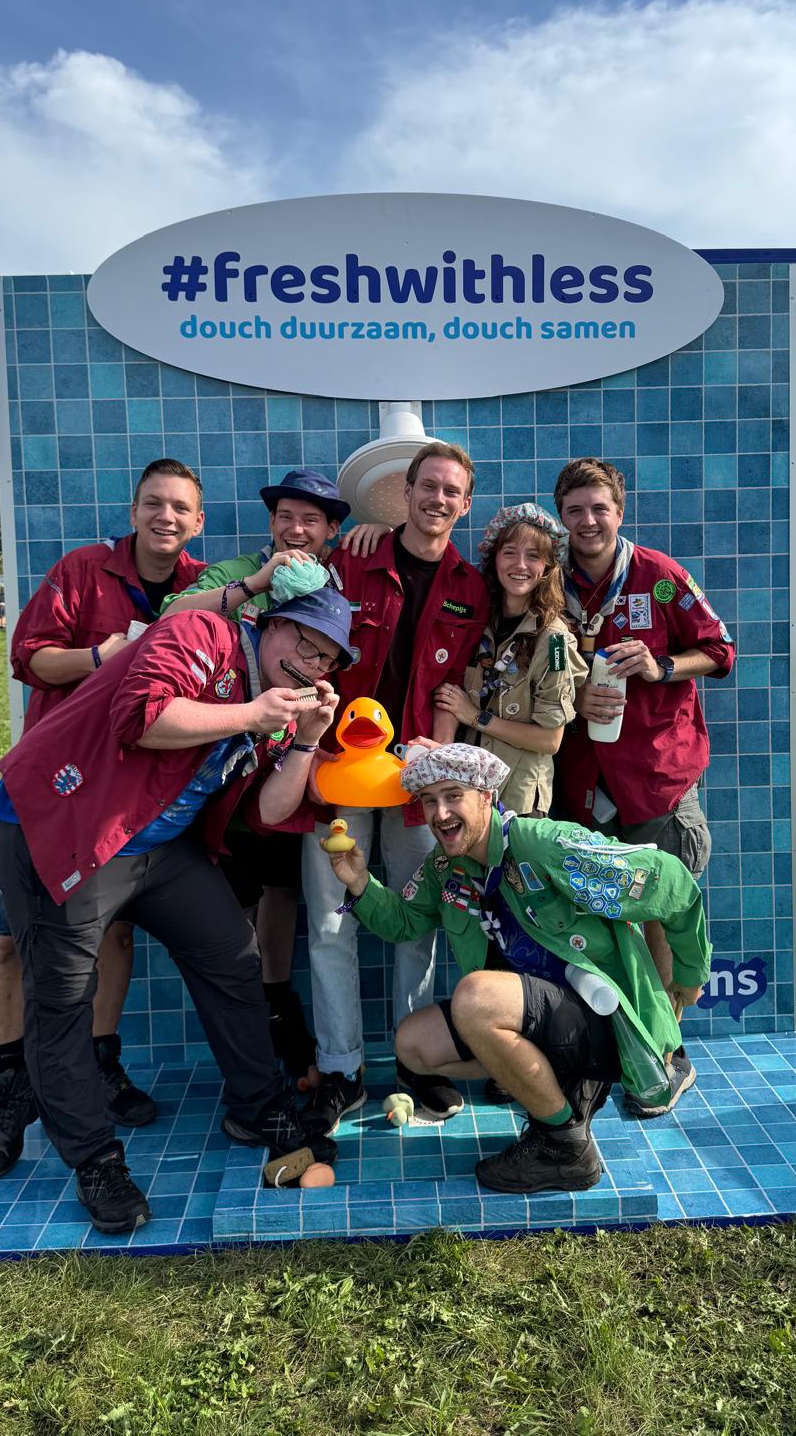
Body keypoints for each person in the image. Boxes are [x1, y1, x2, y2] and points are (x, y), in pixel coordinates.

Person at [0, 587, 353, 1231]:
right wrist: (249, 714)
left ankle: (258, 1108)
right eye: (304, 641)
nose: (311, 663)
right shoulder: (201, 633)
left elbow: (271, 811)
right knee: (62, 998)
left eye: (325, 658)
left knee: (232, 954)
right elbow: (140, 716)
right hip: (64, 826)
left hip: (157, 845)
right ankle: (95, 1160)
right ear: (267, 624)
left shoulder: (278, 705)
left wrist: (305, 741)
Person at [324, 742, 710, 1193]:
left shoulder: (543, 845)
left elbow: (671, 880)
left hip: (601, 1020)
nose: (440, 813)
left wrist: (689, 977)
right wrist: (359, 882)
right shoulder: (445, 866)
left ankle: (563, 1145)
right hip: (542, 1020)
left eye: (453, 796)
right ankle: (557, 1091)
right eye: (429, 801)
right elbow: (404, 922)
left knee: (475, 997)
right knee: (413, 1045)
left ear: (486, 796)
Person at [0, 458, 205, 1181]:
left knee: (115, 934)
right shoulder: (81, 572)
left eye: (180, 508)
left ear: (197, 523)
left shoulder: (203, 589)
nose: (165, 517)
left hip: (128, 800)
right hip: (52, 791)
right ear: (133, 511)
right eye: (154, 504)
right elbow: (30, 659)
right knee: (9, 943)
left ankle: (102, 1065)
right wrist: (104, 654)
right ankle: (11, 1090)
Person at [300, 441, 488, 1135]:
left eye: (451, 491)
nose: (438, 500)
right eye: (427, 486)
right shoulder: (351, 561)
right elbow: (307, 647)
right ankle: (341, 1070)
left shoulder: (472, 587)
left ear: (465, 505)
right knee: (330, 923)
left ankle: (417, 1064)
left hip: (418, 781)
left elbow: (458, 683)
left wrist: (439, 753)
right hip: (338, 773)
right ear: (406, 493)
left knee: (419, 922)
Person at [159, 467, 355, 1079]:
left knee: (284, 886)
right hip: (224, 765)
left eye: (311, 520)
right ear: (270, 522)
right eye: (286, 517)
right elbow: (171, 617)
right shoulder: (243, 572)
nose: (296, 529)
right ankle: (245, 1017)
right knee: (234, 893)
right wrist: (256, 583)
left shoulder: (342, 582)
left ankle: (275, 1002)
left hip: (300, 763)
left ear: (330, 531)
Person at [551, 458, 733, 1015]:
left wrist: (661, 667)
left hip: (658, 775)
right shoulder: (546, 582)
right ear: (561, 516)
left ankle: (666, 1042)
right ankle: (620, 1033)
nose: (588, 521)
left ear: (620, 511)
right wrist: (572, 697)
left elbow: (720, 650)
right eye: (575, 510)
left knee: (663, 911)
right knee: (598, 912)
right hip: (581, 775)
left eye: (599, 508)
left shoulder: (658, 575)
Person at [433, 501, 587, 815]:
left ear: (547, 566)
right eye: (510, 553)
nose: (520, 565)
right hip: (467, 792)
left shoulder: (553, 640)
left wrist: (475, 717)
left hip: (519, 803)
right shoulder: (475, 620)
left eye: (533, 556)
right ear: (494, 558)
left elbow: (550, 740)